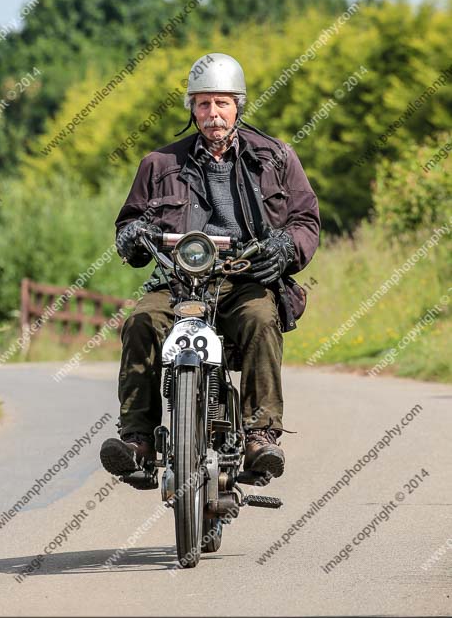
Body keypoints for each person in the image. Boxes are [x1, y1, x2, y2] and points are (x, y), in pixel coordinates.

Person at [100, 53, 320, 484]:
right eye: (203, 104)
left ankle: (260, 436)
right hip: (178, 280)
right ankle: (138, 441)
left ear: (238, 105)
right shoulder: (159, 164)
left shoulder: (275, 157)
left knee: (260, 318)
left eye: (221, 103)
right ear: (191, 109)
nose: (212, 113)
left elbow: (306, 220)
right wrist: (130, 236)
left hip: (246, 278)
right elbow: (129, 222)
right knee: (141, 320)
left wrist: (285, 245)